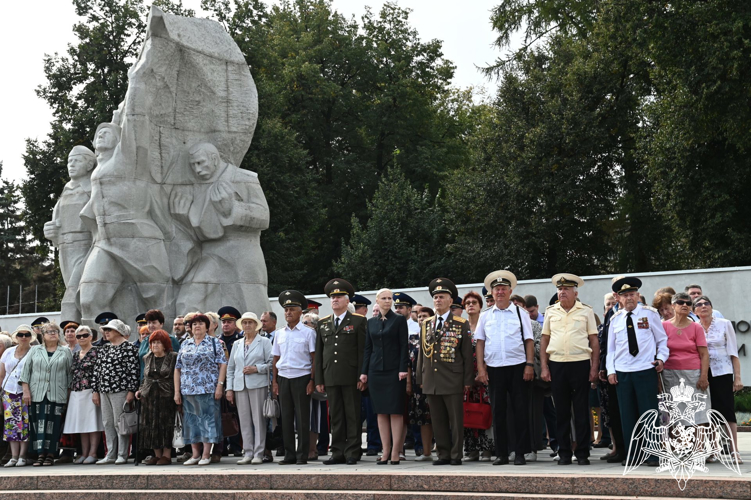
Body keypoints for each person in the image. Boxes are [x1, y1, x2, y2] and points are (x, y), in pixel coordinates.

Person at [606, 276, 668, 467]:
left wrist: (661, 359)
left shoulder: (650, 314)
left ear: (638, 295)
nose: (629, 298)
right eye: (625, 296)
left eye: (632, 294)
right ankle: (633, 455)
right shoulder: (615, 319)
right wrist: (610, 370)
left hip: (645, 369)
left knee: (649, 412)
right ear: (619, 298)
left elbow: (662, 340)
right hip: (623, 371)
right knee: (627, 414)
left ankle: (653, 454)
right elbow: (611, 349)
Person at [475, 271, 534, 465]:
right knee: (498, 411)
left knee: (519, 410)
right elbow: (480, 343)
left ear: (510, 291)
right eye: (496, 289)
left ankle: (519, 452)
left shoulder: (520, 312)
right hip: (494, 369)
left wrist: (529, 365)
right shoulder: (485, 316)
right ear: (492, 292)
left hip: (517, 367)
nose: (500, 292)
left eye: (503, 289)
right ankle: (501, 453)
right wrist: (481, 370)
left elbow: (529, 340)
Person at [540, 274, 600, 466]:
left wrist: (594, 367)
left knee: (581, 410)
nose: (562, 292)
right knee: (562, 411)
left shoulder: (586, 311)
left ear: (576, 292)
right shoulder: (551, 311)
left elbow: (593, 341)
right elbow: (544, 340)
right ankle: (564, 452)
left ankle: (582, 452)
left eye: (566, 289)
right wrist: (544, 366)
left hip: (580, 363)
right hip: (557, 364)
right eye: (560, 289)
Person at [416, 278, 473, 466]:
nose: (438, 300)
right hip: (431, 377)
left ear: (451, 301)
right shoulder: (427, 323)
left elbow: (466, 354)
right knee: (437, 419)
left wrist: (467, 380)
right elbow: (422, 354)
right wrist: (420, 377)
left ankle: (456, 454)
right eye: (435, 297)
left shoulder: (460, 323)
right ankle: (443, 454)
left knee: (455, 420)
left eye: (442, 297)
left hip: (452, 377)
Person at [315, 279, 367, 466]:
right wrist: (319, 378)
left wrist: (362, 374)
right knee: (335, 415)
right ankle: (337, 451)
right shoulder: (323, 323)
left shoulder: (358, 321)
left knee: (352, 414)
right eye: (332, 297)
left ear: (347, 301)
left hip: (351, 375)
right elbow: (320, 354)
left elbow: (362, 350)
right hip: (331, 375)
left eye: (338, 297)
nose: (335, 300)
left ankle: (353, 450)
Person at [360, 288, 408, 465]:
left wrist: (403, 368)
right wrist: (364, 372)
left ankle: (396, 450)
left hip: (394, 371)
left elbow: (404, 346)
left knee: (395, 411)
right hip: (375, 372)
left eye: (390, 298)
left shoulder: (399, 320)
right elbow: (367, 348)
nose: (388, 301)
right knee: (380, 412)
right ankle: (385, 450)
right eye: (384, 298)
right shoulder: (371, 322)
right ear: (377, 300)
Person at [695, 295, 743, 463]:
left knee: (727, 411)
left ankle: (734, 451)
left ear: (711, 306)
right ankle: (713, 450)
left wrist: (737, 377)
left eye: (706, 303)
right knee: (708, 412)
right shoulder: (694, 327)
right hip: (702, 374)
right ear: (695, 311)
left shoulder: (724, 324)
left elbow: (733, 352)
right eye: (699, 304)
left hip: (722, 372)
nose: (703, 306)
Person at [175, 313, 227, 466]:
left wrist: (220, 385)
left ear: (207, 326)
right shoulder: (185, 344)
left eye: (201, 323)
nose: (197, 326)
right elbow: (177, 368)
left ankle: (206, 454)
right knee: (191, 421)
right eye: (194, 324)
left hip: (208, 387)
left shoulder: (214, 342)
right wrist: (177, 391)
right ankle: (195, 454)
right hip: (188, 389)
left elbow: (222, 364)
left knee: (208, 420)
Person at [19, 322, 73, 466]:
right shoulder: (35, 350)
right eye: (49, 331)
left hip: (57, 393)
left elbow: (70, 375)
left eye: (55, 331)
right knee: (38, 424)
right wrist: (26, 391)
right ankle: (40, 454)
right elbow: (26, 372)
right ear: (42, 335)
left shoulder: (65, 351)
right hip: (37, 393)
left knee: (54, 425)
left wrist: (68, 395)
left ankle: (51, 454)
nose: (53, 333)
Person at [272, 290, 316, 465]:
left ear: (300, 312)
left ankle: (302, 454)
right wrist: (274, 382)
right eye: (286, 309)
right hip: (283, 378)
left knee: (302, 418)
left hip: (302, 377)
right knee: (286, 418)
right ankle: (289, 454)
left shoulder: (308, 332)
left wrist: (312, 380)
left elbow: (314, 359)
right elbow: (275, 358)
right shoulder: (279, 333)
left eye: (292, 309)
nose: (288, 313)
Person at [226, 312, 272, 465]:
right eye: (244, 323)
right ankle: (248, 452)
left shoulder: (264, 342)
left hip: (258, 384)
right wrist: (229, 389)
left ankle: (259, 452)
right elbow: (231, 368)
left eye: (250, 323)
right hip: (240, 386)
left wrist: (257, 368)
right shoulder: (237, 344)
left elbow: (272, 364)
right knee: (244, 420)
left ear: (256, 325)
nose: (247, 326)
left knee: (258, 420)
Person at [92, 319, 139, 464]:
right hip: (104, 390)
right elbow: (97, 371)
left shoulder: (129, 348)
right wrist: (95, 390)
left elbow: (133, 371)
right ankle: (110, 453)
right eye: (105, 330)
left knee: (121, 423)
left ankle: (122, 454)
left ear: (118, 332)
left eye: (109, 330)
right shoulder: (104, 348)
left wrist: (131, 391)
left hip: (120, 390)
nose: (106, 332)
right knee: (107, 422)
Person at [458, 290, 495, 462]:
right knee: (467, 410)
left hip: (484, 374)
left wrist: (483, 370)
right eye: (467, 303)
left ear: (481, 306)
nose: (471, 305)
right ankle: (471, 450)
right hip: (466, 377)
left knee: (485, 409)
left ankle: (487, 449)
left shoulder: (487, 324)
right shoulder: (461, 326)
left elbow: (491, 349)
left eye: (474, 302)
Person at [662, 292, 710, 423]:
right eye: (680, 302)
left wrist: (704, 376)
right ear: (672, 305)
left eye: (688, 303)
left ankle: (697, 444)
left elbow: (704, 354)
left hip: (693, 375)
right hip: (669, 374)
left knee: (698, 415)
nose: (685, 305)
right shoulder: (664, 326)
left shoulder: (696, 327)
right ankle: (676, 444)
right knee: (673, 415)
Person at [136, 330, 178, 465]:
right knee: (150, 425)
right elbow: (145, 377)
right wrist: (140, 390)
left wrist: (177, 393)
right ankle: (156, 454)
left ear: (165, 344)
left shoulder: (173, 357)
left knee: (165, 424)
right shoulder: (147, 357)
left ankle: (166, 455)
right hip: (149, 397)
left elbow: (177, 377)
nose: (155, 345)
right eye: (153, 342)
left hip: (166, 395)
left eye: (158, 342)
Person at [63, 325, 103, 464]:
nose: (81, 338)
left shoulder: (97, 351)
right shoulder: (75, 354)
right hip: (76, 391)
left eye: (84, 335)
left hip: (90, 391)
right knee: (81, 424)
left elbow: (99, 373)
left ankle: (93, 452)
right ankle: (84, 453)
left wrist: (96, 391)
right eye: (79, 336)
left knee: (93, 423)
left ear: (91, 336)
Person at [1, 325, 34, 467]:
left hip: (26, 393)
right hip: (8, 392)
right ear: (16, 336)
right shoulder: (8, 352)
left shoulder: (34, 351)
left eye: (27, 334)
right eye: (21, 334)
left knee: (24, 424)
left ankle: (22, 456)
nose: (24, 337)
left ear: (31, 337)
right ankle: (13, 456)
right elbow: (2, 374)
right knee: (11, 425)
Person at [408, 307, 434, 461]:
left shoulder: (437, 337)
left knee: (439, 417)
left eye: (425, 316)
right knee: (423, 419)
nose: (422, 319)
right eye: (419, 317)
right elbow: (409, 363)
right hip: (418, 385)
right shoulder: (412, 338)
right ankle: (426, 452)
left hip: (436, 383)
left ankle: (445, 449)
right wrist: (409, 384)